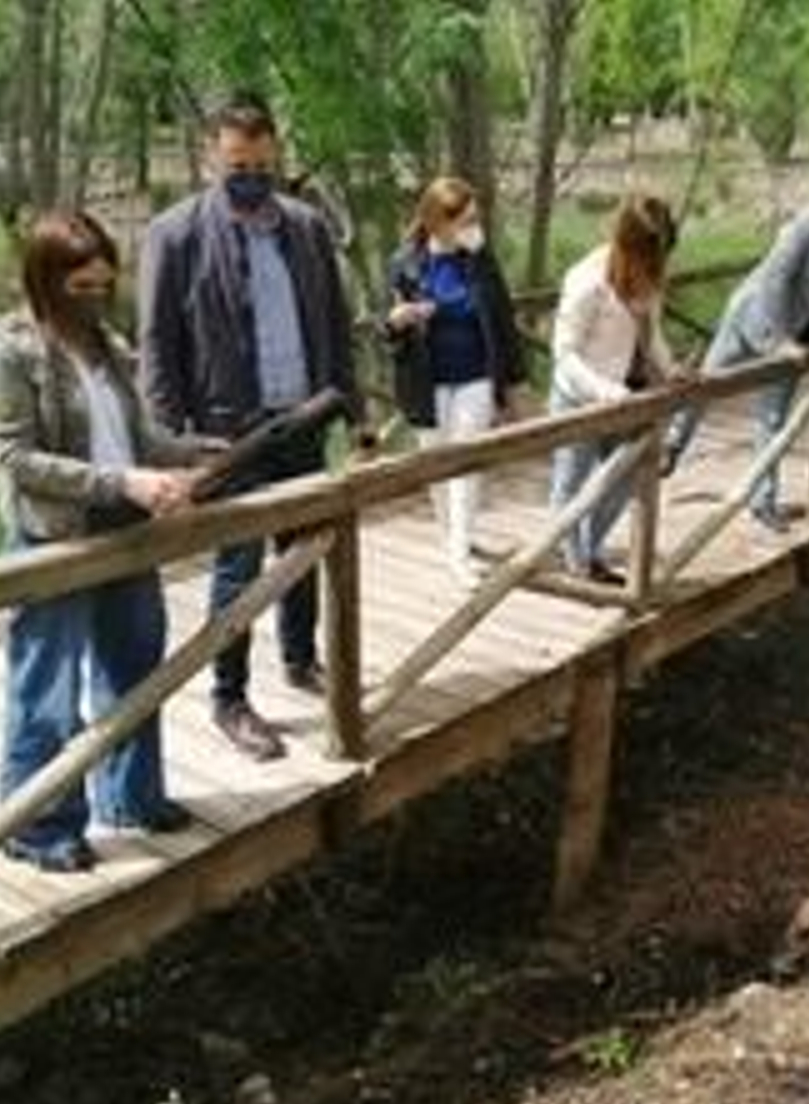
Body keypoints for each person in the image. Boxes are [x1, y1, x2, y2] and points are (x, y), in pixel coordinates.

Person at [0, 211, 217, 873]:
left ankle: (131, 798)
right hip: (54, 539)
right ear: (45, 280)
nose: (94, 298)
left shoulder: (106, 346)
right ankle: (38, 826)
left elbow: (138, 437)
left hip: (124, 528)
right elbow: (16, 458)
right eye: (80, 286)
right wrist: (123, 482)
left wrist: (196, 451)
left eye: (104, 285)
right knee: (46, 691)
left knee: (134, 672)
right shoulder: (7, 353)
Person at [138, 93, 366, 763]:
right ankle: (229, 696)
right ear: (211, 157)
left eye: (263, 165)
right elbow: (157, 346)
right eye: (239, 165)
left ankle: (300, 659)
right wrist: (169, 445)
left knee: (306, 552)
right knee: (237, 570)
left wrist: (351, 408)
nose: (252, 176)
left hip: (303, 419)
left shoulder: (306, 227)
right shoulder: (175, 235)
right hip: (226, 434)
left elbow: (334, 324)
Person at [663, 203, 809, 531]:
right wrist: (778, 340)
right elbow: (777, 276)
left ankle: (762, 502)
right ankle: (673, 446)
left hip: (796, 339)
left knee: (773, 419)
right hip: (751, 317)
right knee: (707, 384)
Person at [381, 176, 527, 587]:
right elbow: (384, 326)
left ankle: (459, 555)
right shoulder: (404, 262)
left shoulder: (479, 258)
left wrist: (514, 384)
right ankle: (452, 539)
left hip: (475, 375)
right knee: (435, 467)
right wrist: (397, 321)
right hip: (424, 380)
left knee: (465, 464)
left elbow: (503, 319)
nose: (472, 227)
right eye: (464, 221)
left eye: (474, 218)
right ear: (436, 221)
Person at [549, 192, 681, 584]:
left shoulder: (649, 279)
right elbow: (565, 353)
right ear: (627, 246)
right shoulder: (586, 280)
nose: (653, 267)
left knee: (628, 474)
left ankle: (589, 549)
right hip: (579, 396)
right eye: (647, 257)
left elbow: (651, 334)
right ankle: (576, 563)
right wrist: (604, 390)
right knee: (571, 482)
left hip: (624, 395)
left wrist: (671, 368)